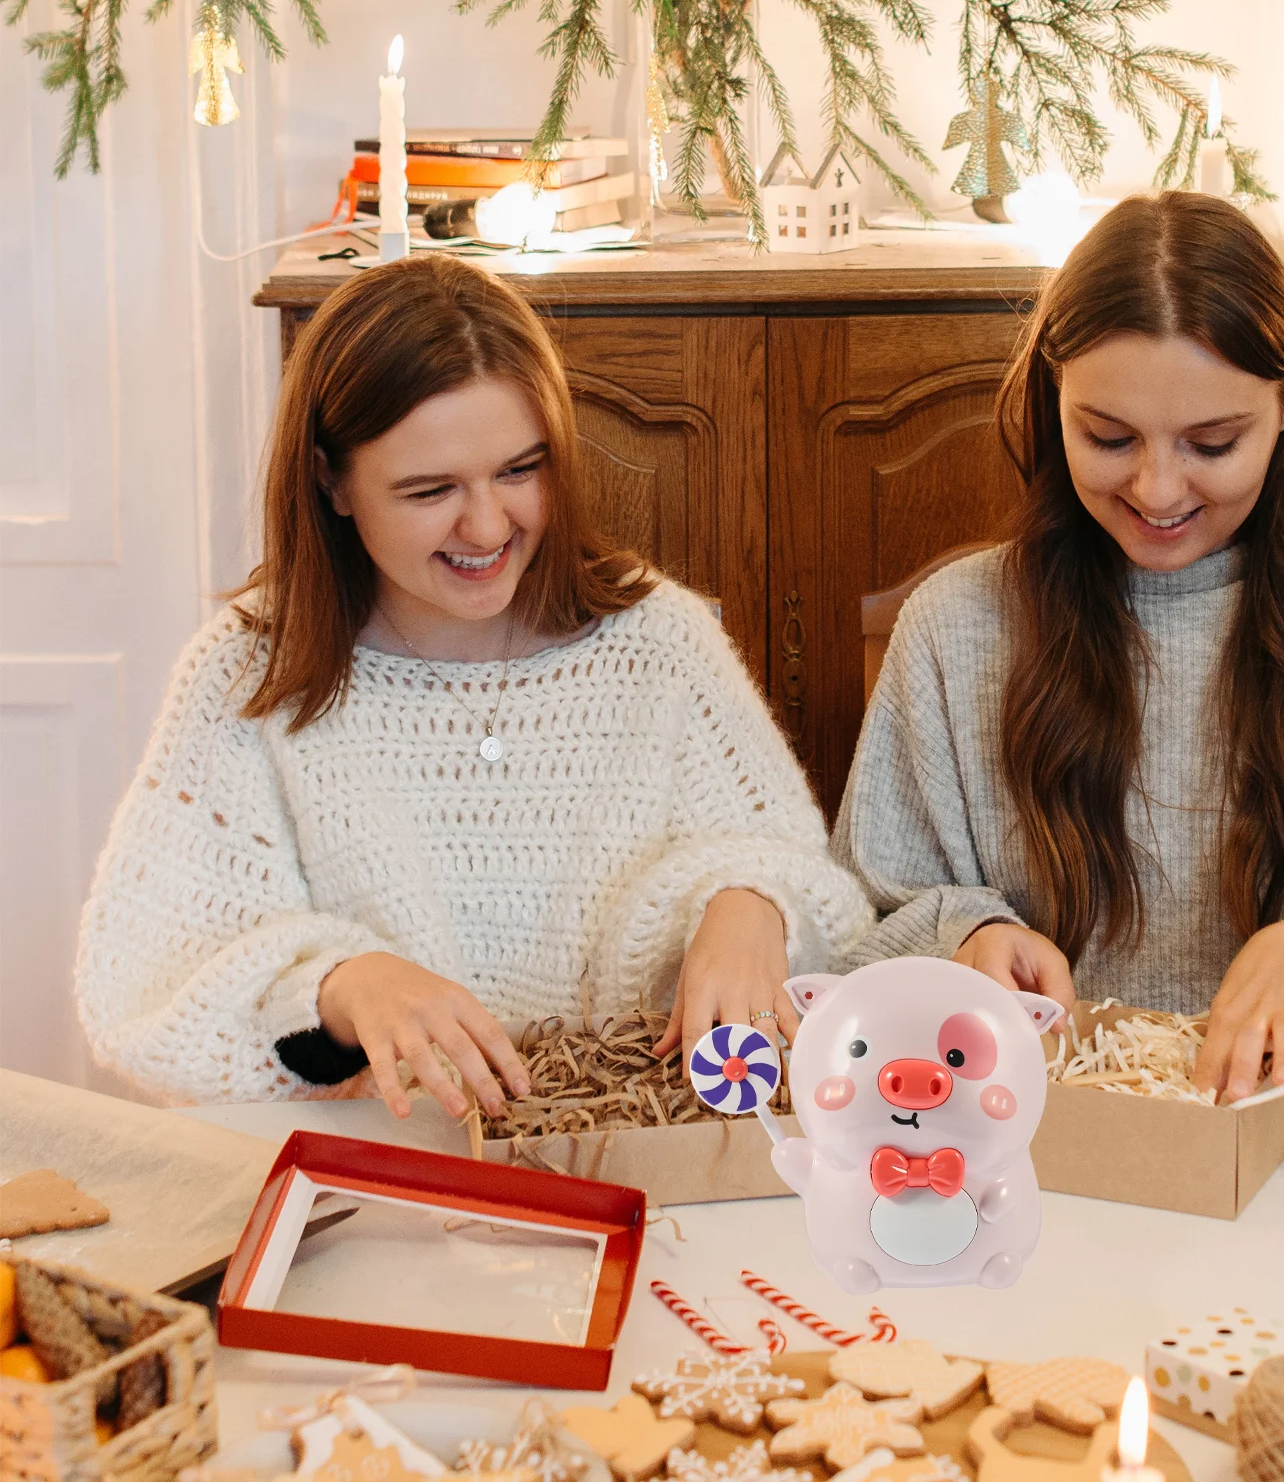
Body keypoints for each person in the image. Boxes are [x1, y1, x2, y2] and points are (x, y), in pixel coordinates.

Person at [77, 257, 871, 1116]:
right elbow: (146, 992)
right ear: (330, 480)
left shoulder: (661, 641)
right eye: (430, 490)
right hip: (373, 1179)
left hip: (641, 1166)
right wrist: (340, 987)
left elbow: (814, 890)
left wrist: (754, 904)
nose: (488, 526)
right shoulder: (247, 675)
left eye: (520, 471)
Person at [832, 191, 1284, 1108]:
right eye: (1107, 437)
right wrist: (963, 940)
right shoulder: (957, 628)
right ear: (1051, 394)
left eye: (1213, 444)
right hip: (1027, 1170)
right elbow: (848, 937)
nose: (1156, 487)